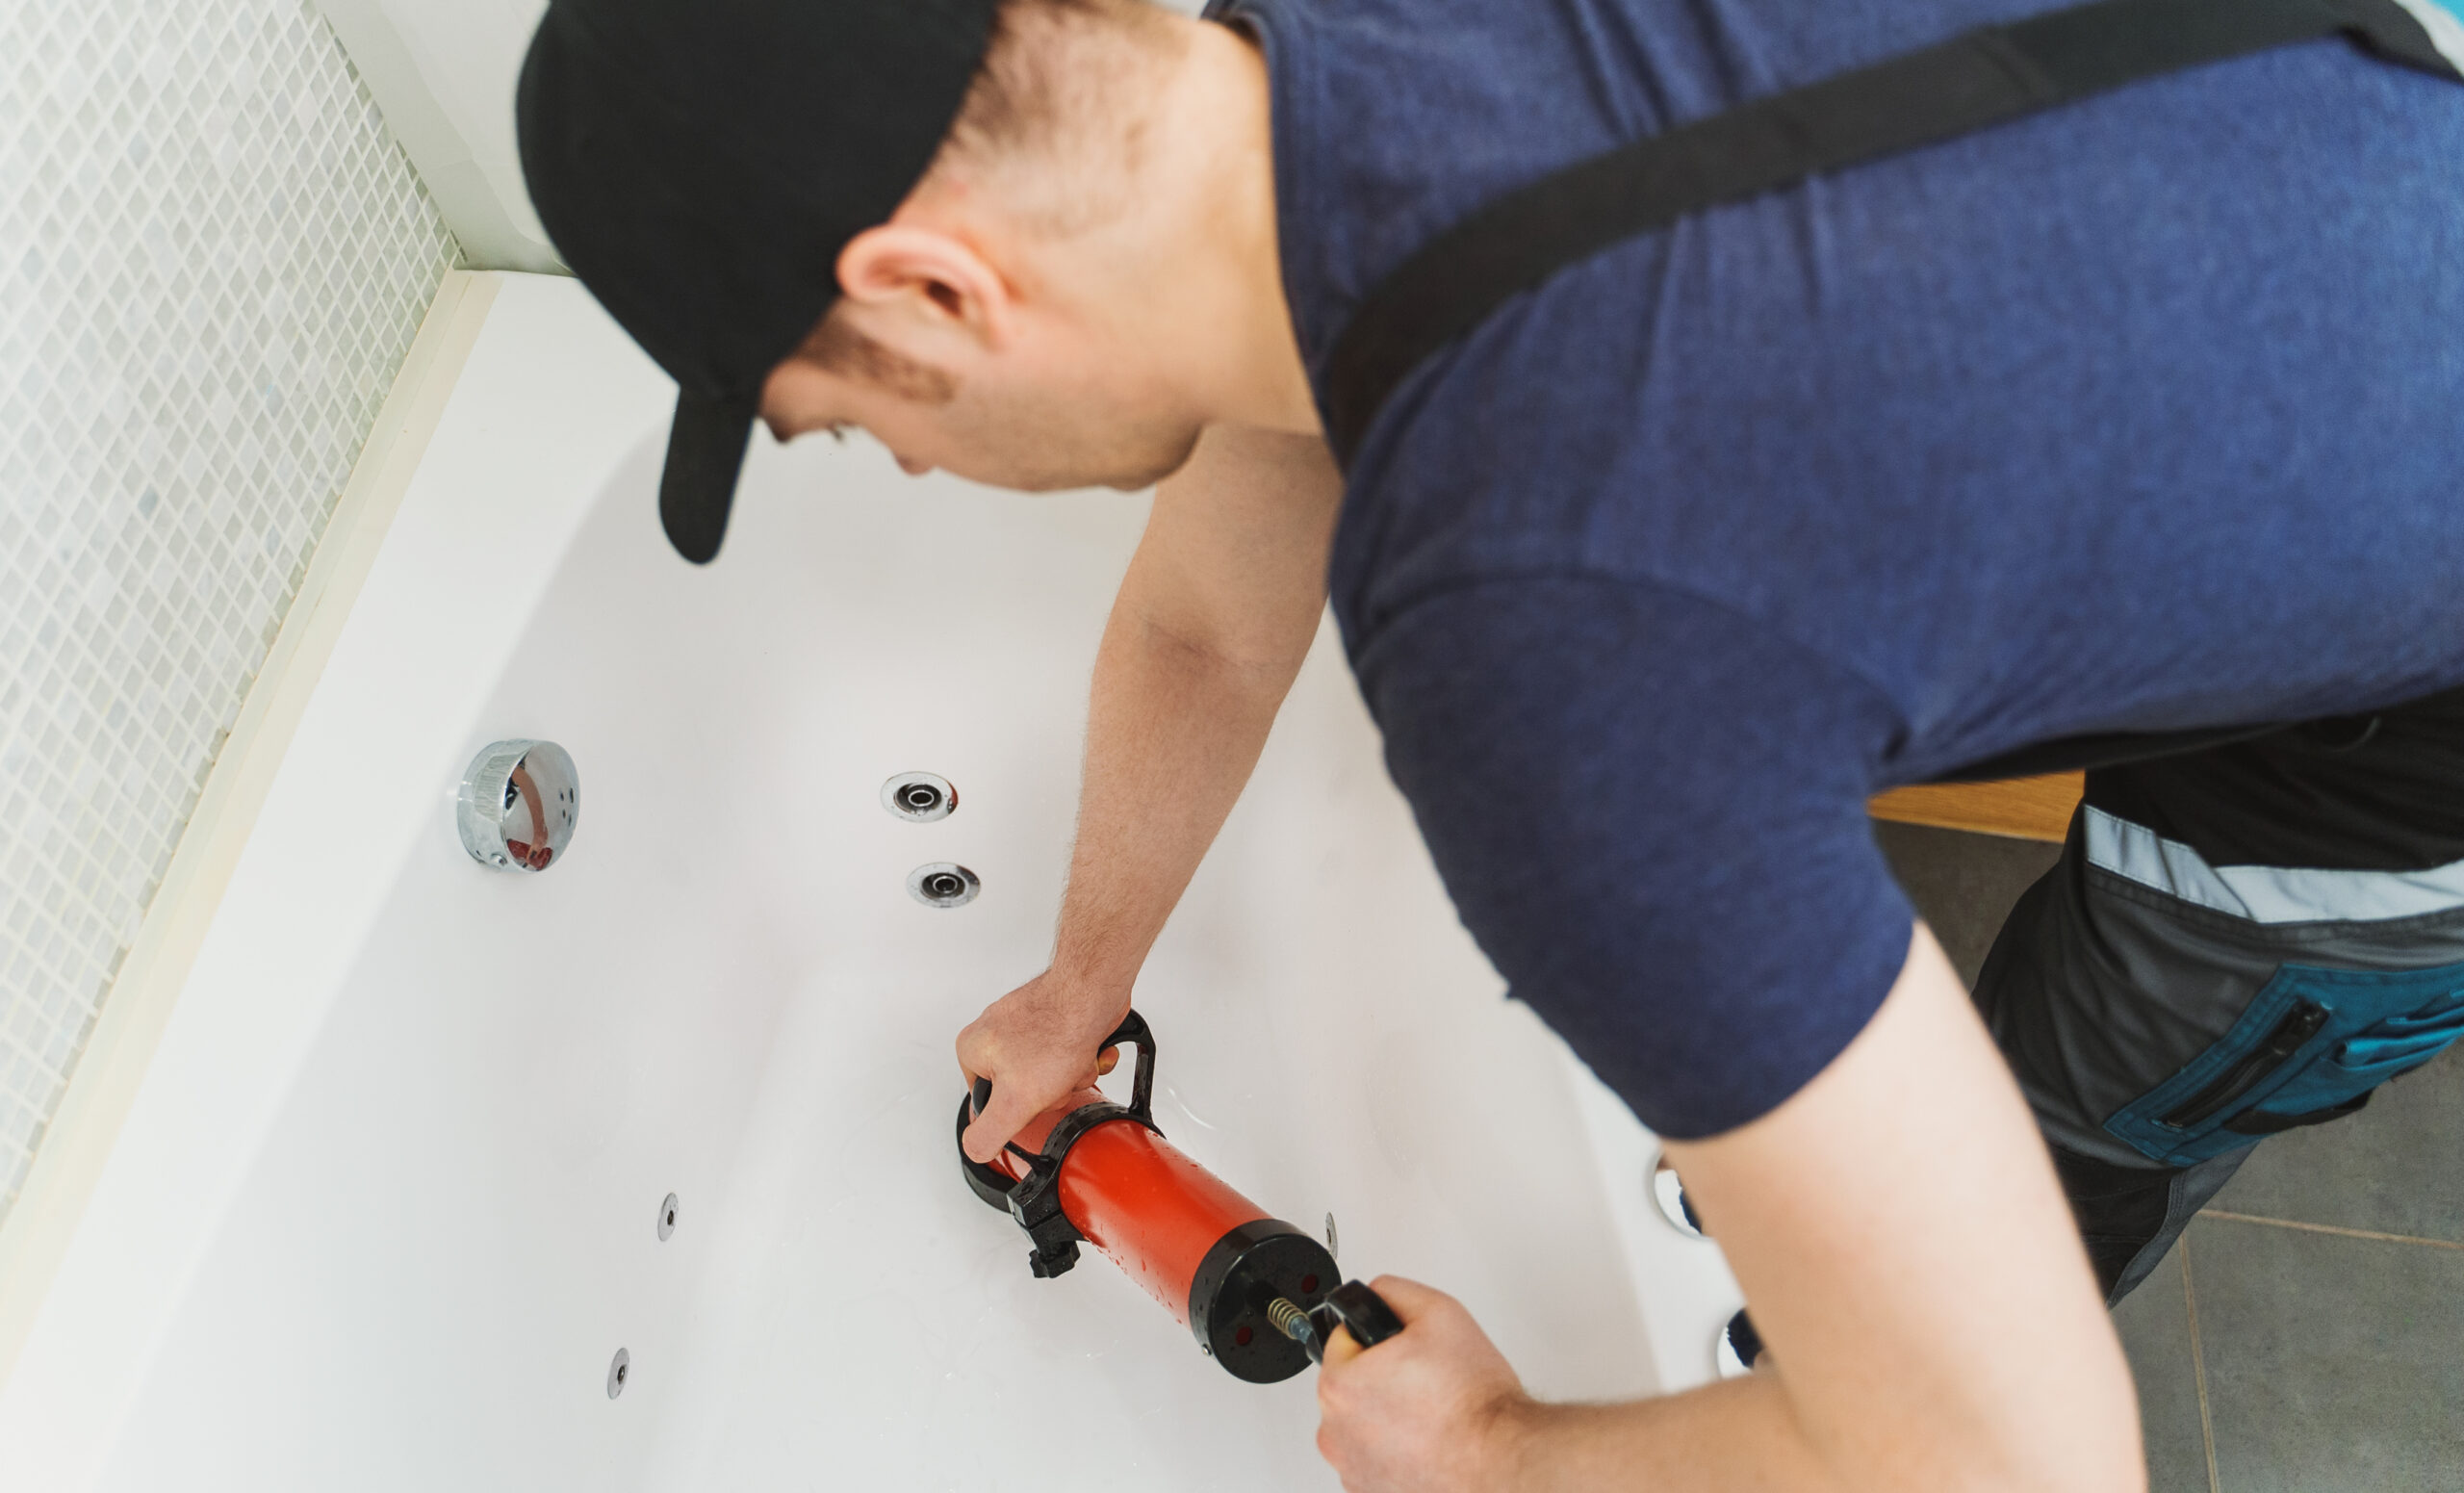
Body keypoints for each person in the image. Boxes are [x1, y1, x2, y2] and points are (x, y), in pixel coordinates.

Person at [515, 0, 2464, 1486]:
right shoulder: (1314, 89)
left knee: (2050, 1159)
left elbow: (2016, 1454)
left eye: (857, 425)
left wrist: (1494, 1450)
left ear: (933, 292)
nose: (910, 466)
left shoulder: (1545, 636)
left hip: (2382, 760)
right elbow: (1205, 624)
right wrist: (1075, 992)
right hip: (2344, 171)